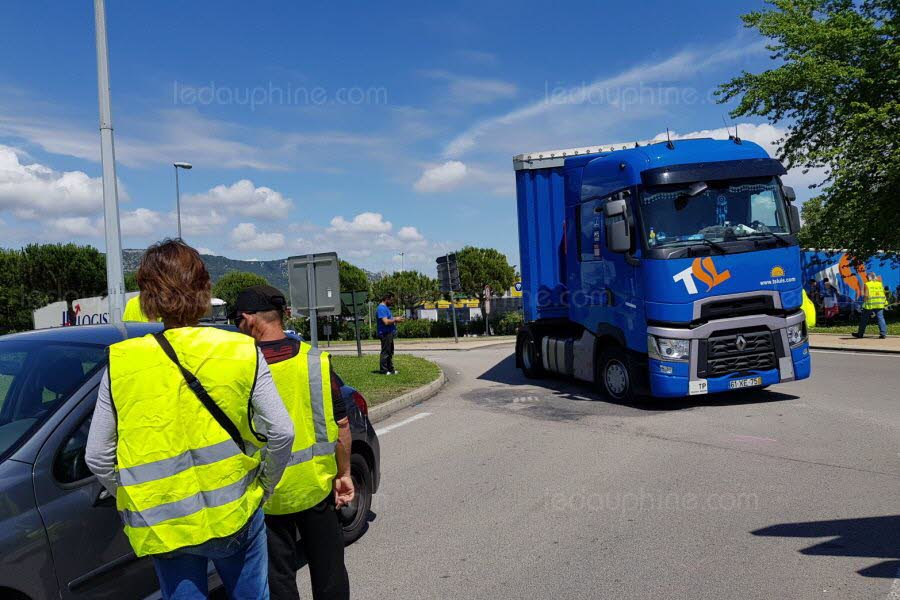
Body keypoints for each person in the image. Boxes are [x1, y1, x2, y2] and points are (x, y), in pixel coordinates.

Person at [85, 239, 295, 600]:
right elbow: (282, 432)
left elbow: (97, 456)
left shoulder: (122, 362)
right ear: (204, 289)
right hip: (236, 512)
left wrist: (137, 494)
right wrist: (266, 485)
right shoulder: (240, 349)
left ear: (147, 297)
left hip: (166, 523)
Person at [232, 285, 353, 600]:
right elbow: (341, 425)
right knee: (330, 574)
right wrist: (344, 473)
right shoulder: (316, 360)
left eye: (235, 320)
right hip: (316, 489)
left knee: (279, 582)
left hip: (266, 497)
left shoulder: (239, 367)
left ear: (248, 319)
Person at [853, 272, 888, 339]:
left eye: (867, 277)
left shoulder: (867, 284)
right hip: (879, 303)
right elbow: (883, 293)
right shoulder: (880, 284)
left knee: (864, 319)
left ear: (869, 278)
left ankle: (860, 334)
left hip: (870, 304)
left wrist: (863, 302)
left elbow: (866, 295)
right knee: (880, 318)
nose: (866, 278)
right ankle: (883, 334)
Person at [376, 292, 404, 375]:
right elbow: (385, 321)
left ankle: (390, 369)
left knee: (390, 352)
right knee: (385, 352)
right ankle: (384, 370)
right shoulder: (381, 308)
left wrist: (396, 318)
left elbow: (389, 318)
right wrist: (395, 320)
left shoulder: (385, 308)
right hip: (385, 333)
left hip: (389, 333)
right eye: (391, 300)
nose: (392, 302)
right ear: (386, 299)